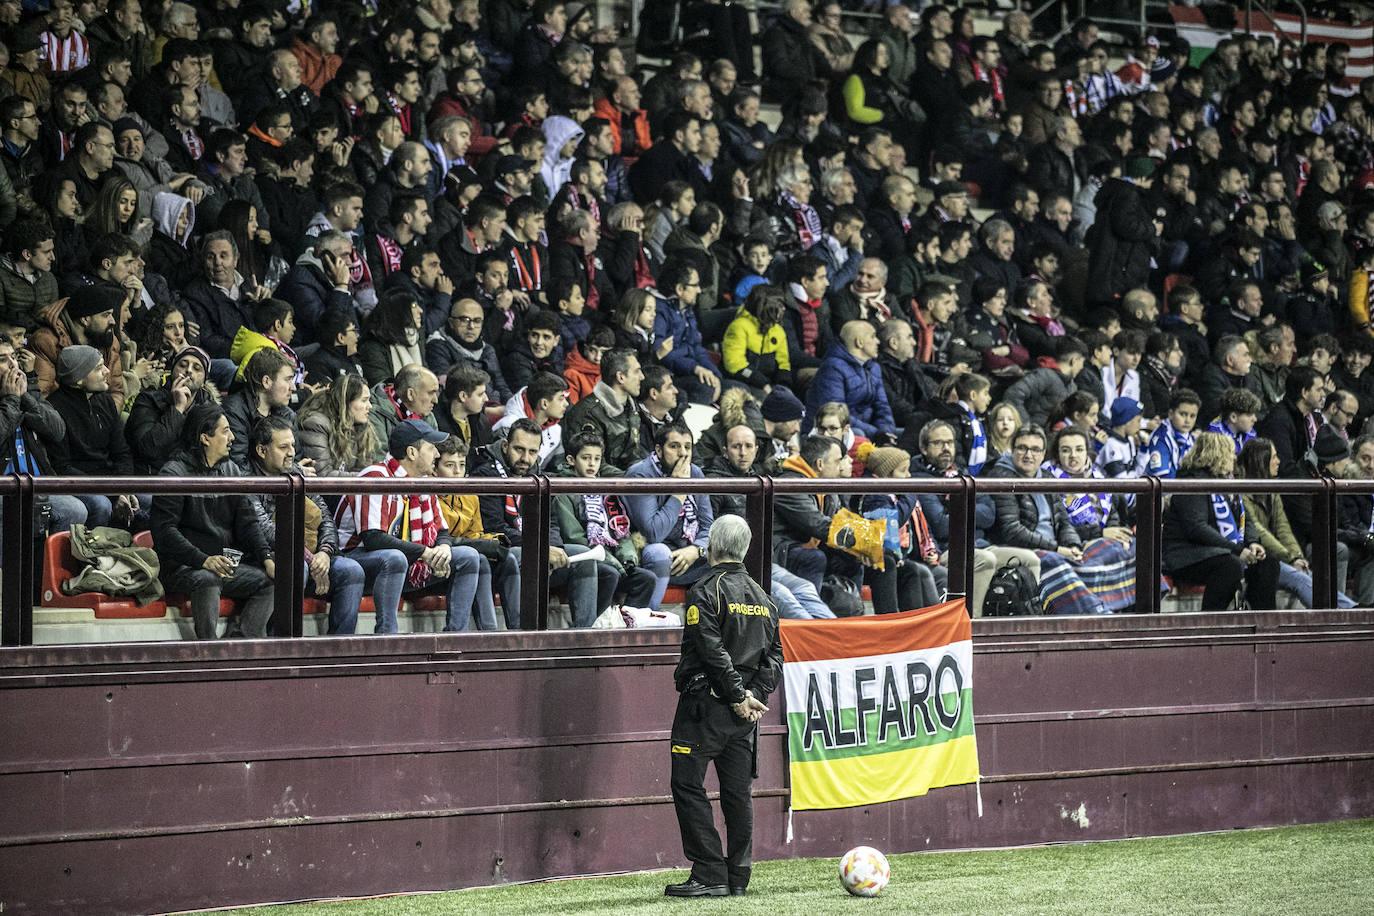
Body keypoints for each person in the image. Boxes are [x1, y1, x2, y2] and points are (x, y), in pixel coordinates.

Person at [666, 513, 781, 899]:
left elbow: (710, 649)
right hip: (744, 716)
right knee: (737, 793)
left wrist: (736, 696)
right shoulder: (765, 598)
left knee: (686, 784)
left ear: (711, 546)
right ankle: (739, 875)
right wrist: (754, 698)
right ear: (745, 549)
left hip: (706, 707)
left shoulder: (705, 590)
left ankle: (709, 871)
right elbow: (776, 657)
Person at [333, 418, 486, 634]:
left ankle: (454, 637)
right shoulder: (375, 476)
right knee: (394, 557)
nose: (436, 454)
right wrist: (425, 552)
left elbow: (441, 530)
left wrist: (442, 549)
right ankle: (387, 636)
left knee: (468, 556)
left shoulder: (422, 481)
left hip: (407, 564)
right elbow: (373, 539)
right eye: (431, 448)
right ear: (412, 453)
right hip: (358, 561)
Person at [151, 403, 277, 640]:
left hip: (222, 565)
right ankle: (209, 651)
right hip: (182, 567)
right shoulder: (173, 474)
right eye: (225, 431)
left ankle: (243, 644)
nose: (232, 437)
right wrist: (203, 560)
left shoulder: (231, 470)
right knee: (207, 579)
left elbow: (248, 522)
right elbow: (165, 532)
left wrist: (266, 557)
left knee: (271, 581)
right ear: (204, 438)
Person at [246, 415, 366, 634]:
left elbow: (326, 519)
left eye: (292, 445)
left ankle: (339, 651)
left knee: (352, 570)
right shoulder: (247, 479)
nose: (291, 452)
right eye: (283, 447)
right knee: (295, 566)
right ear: (261, 451)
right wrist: (310, 558)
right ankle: (282, 643)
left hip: (310, 555)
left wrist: (325, 553)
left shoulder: (297, 474)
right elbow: (263, 529)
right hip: (266, 559)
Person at [1163, 430, 1279, 611]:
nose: (1234, 457)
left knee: (1267, 563)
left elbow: (1245, 518)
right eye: (1229, 452)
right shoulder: (1191, 483)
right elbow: (1197, 528)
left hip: (1218, 552)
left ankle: (1260, 625)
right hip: (1187, 556)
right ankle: (1211, 626)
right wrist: (1236, 549)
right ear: (1215, 455)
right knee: (1230, 566)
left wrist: (1253, 543)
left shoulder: (1227, 482)